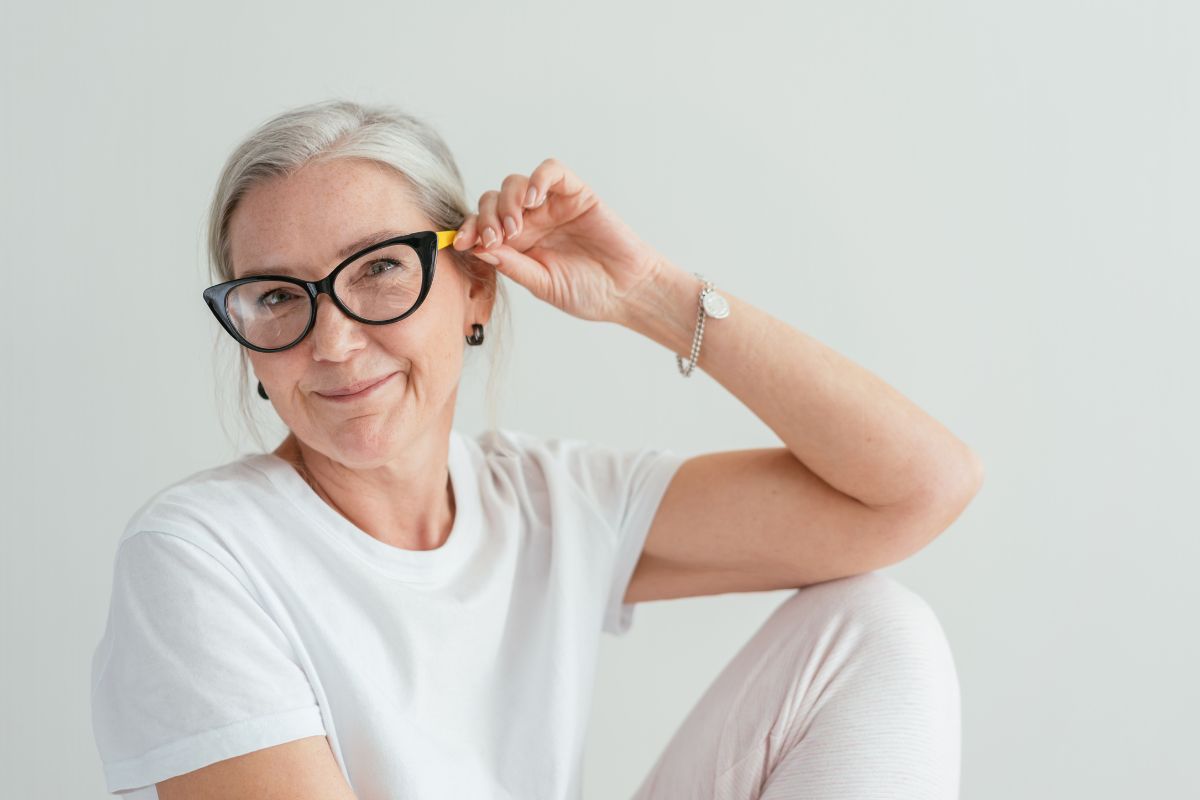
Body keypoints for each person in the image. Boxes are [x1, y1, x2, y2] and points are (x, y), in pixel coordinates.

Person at [90, 99, 983, 800]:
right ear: (246, 335)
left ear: (475, 288)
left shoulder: (547, 504)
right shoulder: (200, 557)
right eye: (278, 297)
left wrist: (649, 294)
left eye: (380, 269)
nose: (331, 342)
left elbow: (916, 490)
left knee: (877, 629)